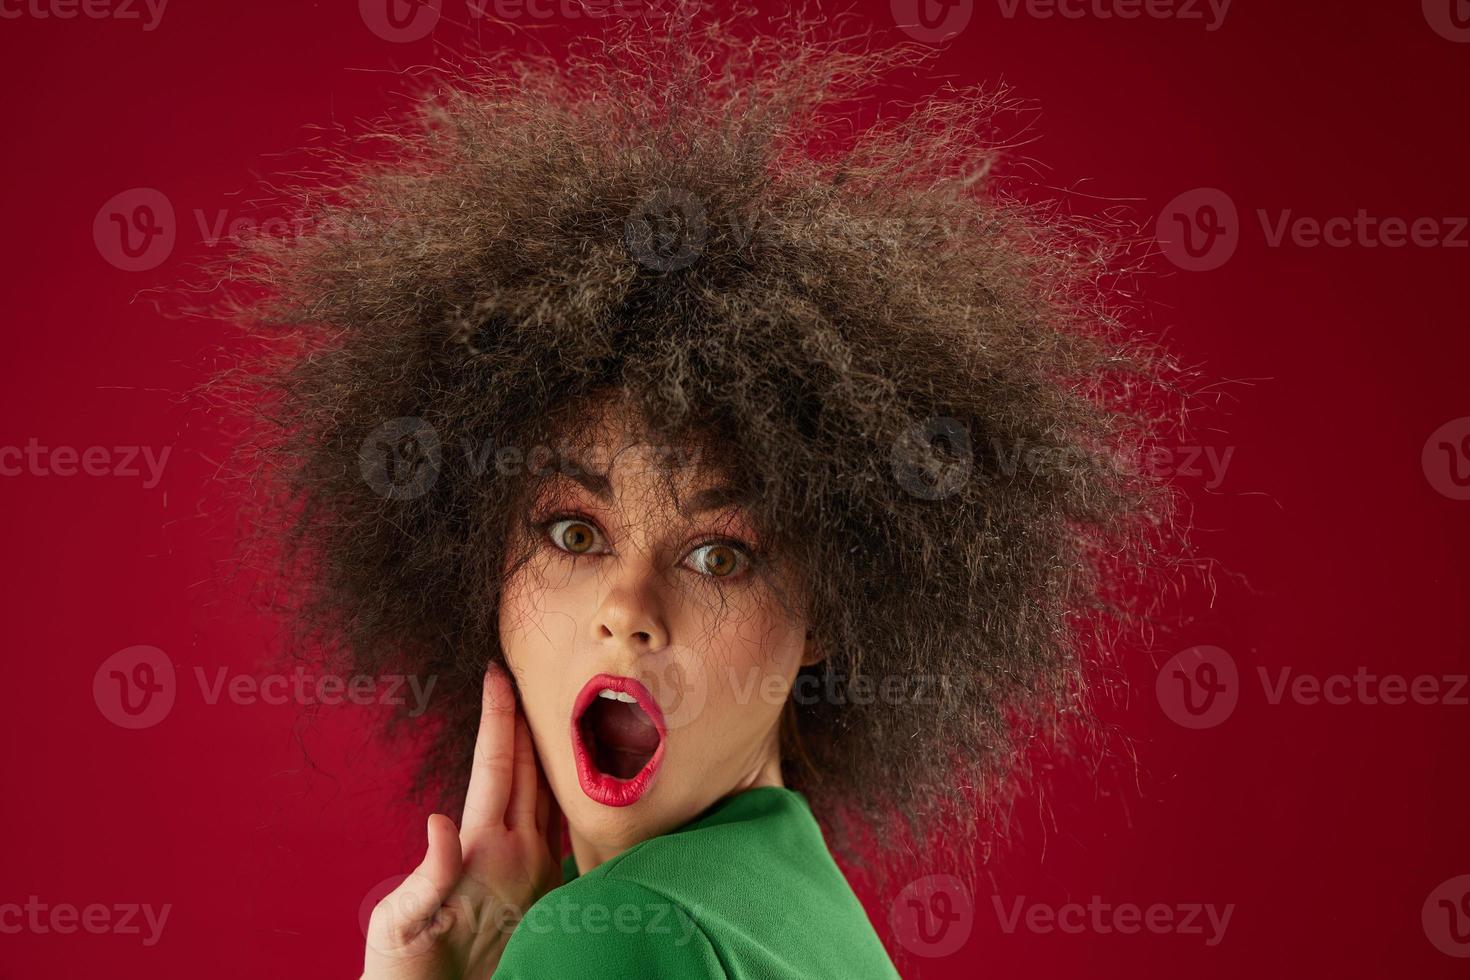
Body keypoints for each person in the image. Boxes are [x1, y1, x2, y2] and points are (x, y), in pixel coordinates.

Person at [199, 4, 1177, 976]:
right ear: (473, 555)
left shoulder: (626, 932)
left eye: (718, 552)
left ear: (832, 601)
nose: (629, 611)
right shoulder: (807, 918)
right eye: (575, 532)